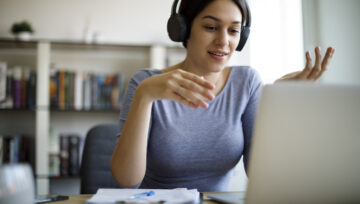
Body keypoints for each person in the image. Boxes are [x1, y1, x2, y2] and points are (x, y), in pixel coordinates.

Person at [110, 0, 335, 192]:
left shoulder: (246, 83)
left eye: (234, 30)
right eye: (210, 27)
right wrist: (145, 96)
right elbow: (127, 180)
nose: (224, 41)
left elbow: (263, 176)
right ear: (183, 29)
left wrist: (278, 107)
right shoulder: (145, 84)